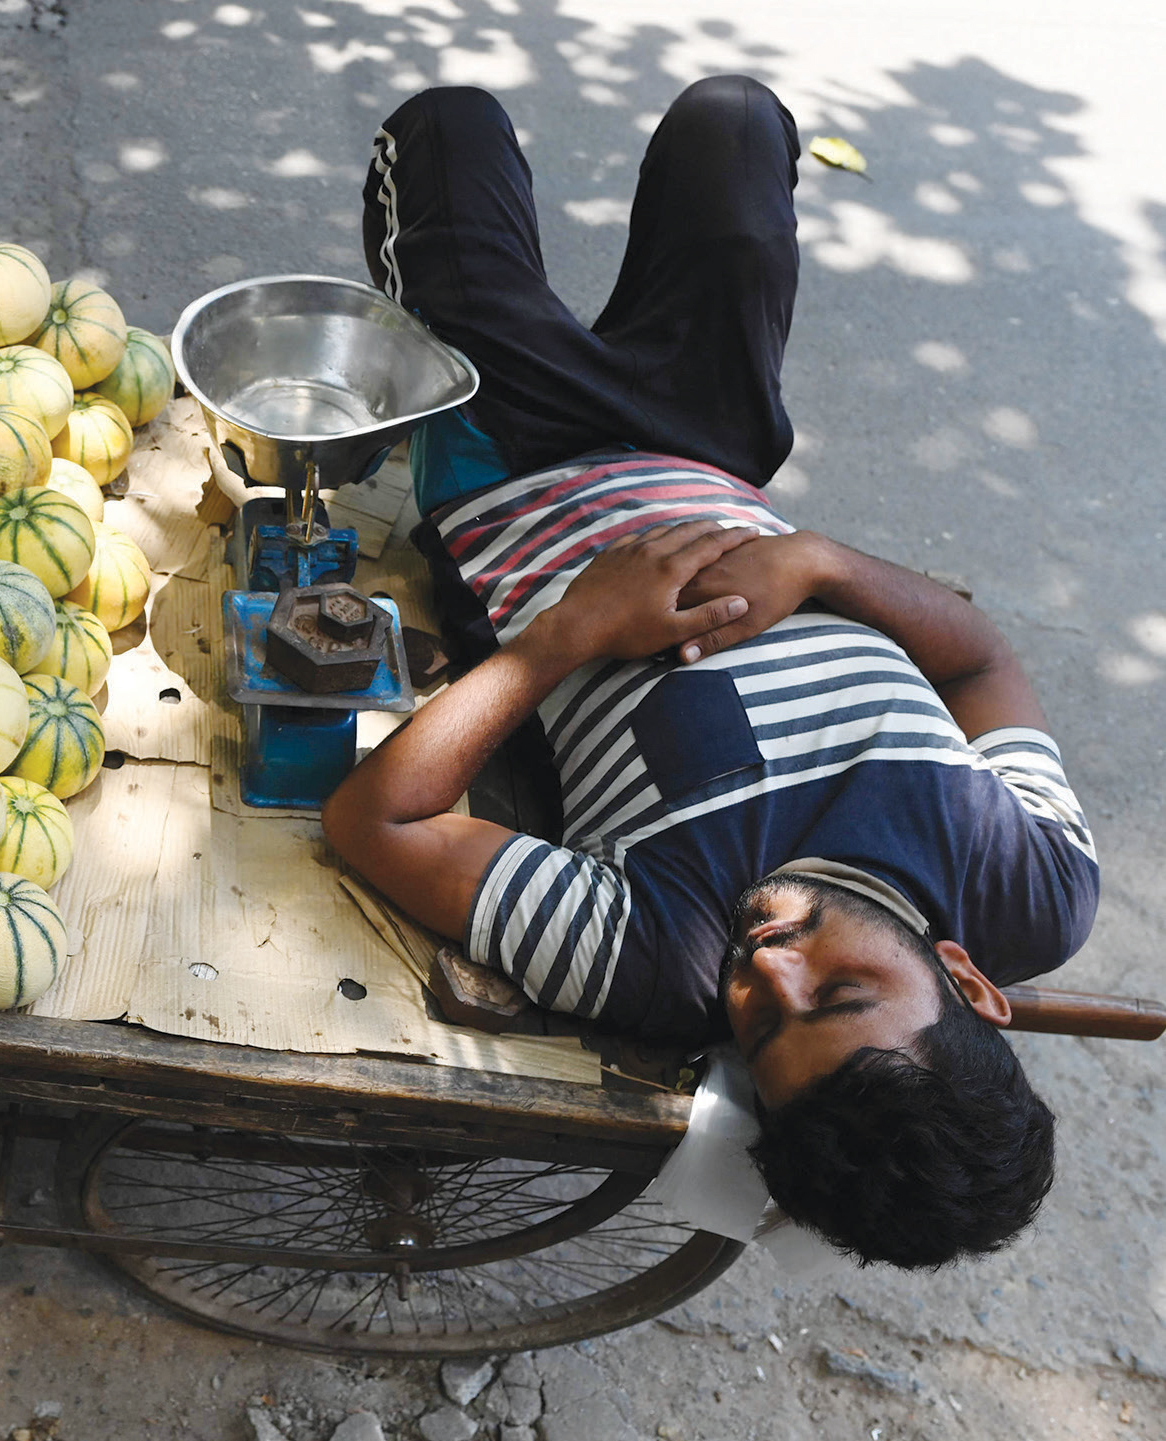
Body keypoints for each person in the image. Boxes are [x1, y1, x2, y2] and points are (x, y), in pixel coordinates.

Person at [322, 77, 1098, 1269]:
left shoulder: (656, 952)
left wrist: (570, 631)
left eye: (762, 1030)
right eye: (839, 992)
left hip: (512, 477)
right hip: (709, 456)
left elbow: (379, 821)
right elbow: (983, 654)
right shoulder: (1030, 881)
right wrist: (822, 563)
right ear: (966, 980)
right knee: (733, 131)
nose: (766, 965)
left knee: (447, 134)